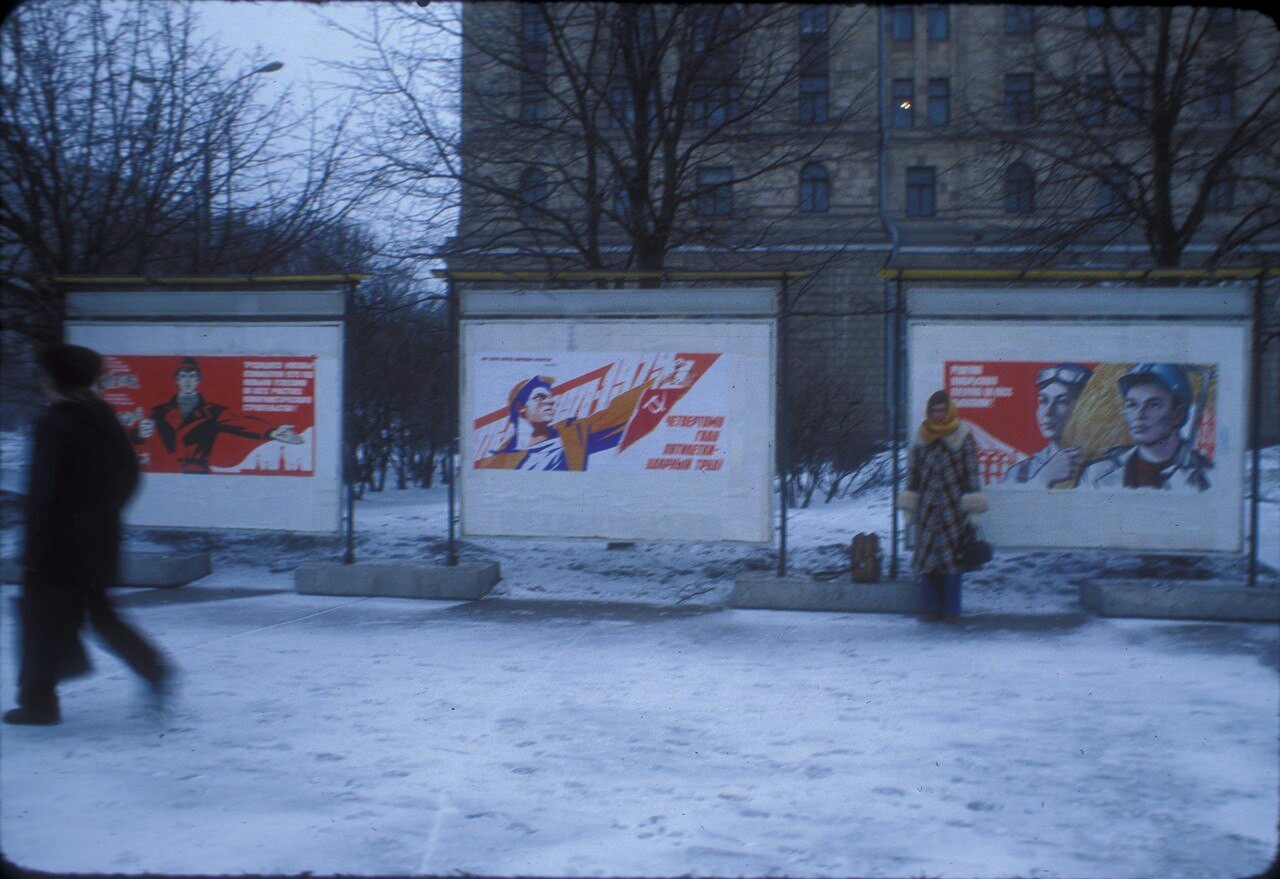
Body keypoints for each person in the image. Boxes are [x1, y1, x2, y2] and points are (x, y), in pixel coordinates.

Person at [6, 344, 170, 726]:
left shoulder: (54, 423)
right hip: (97, 542)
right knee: (101, 615)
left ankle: (39, 704)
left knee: (40, 623)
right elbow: (130, 475)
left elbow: (44, 496)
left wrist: (35, 548)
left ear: (52, 379)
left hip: (55, 548)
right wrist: (100, 517)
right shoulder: (103, 416)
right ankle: (153, 668)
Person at [896, 390, 988, 622]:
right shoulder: (922, 437)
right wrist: (910, 506)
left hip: (953, 512)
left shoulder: (962, 437)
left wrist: (973, 508)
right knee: (928, 563)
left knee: (952, 564)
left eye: (942, 410)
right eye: (934, 410)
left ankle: (951, 611)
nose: (937, 415)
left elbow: (971, 475)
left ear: (949, 411)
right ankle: (930, 608)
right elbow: (913, 475)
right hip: (927, 510)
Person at [130, 356, 301, 474]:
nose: (187, 380)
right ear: (177, 379)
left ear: (198, 380)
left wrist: (272, 431)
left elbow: (242, 422)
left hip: (198, 473)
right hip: (167, 473)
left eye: (192, 376)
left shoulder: (213, 412)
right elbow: (138, 437)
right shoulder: (160, 412)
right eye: (183, 376)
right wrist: (139, 432)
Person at [1079, 363, 1211, 491]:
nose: (1139, 414)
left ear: (1178, 414)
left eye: (1153, 404)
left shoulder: (1207, 476)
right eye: (1132, 405)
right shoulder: (1096, 475)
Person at [1002, 363, 1092, 488]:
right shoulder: (1018, 472)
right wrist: (1044, 477)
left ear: (1084, 409)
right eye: (1043, 401)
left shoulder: (1104, 466)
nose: (1048, 412)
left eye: (1062, 401)